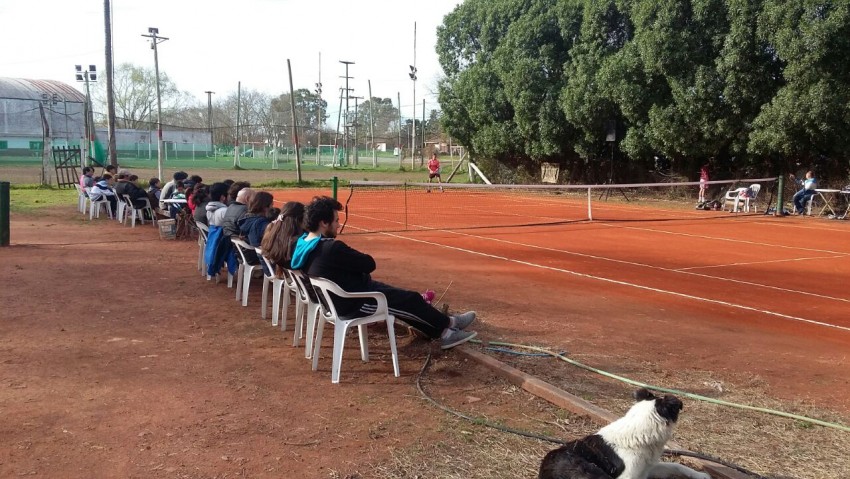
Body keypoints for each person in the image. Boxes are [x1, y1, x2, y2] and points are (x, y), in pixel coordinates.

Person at [291, 196, 477, 349]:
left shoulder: (303, 244)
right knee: (409, 300)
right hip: (354, 303)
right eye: (336, 221)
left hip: (343, 297)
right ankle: (445, 331)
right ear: (324, 223)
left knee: (407, 299)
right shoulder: (331, 248)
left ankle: (447, 325)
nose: (339, 225)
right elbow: (368, 263)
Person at [260, 201, 305, 274]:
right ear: (300, 220)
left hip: (286, 276)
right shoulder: (298, 242)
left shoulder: (272, 233)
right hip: (301, 280)